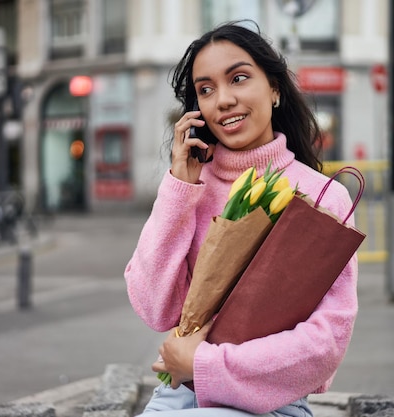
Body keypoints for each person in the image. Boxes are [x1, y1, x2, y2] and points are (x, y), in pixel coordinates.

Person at [124, 21, 358, 416]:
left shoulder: (323, 197)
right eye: (206, 89)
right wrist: (178, 191)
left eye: (239, 78)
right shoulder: (189, 191)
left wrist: (205, 364)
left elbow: (327, 341)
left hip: (273, 403)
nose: (224, 99)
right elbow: (155, 308)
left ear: (275, 88)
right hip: (178, 398)